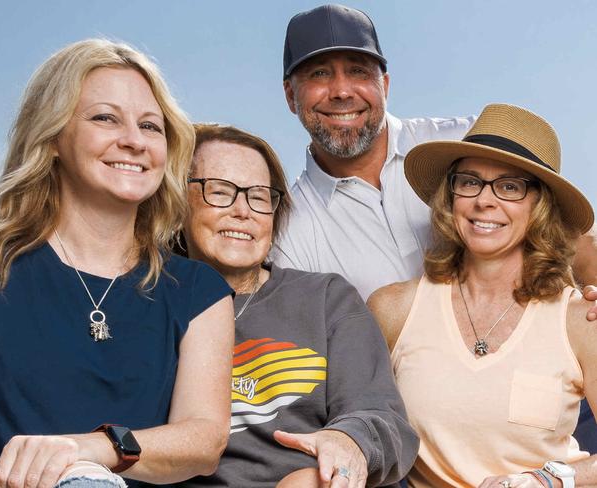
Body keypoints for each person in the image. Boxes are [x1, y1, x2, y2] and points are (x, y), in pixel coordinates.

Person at [0, 39, 234, 488]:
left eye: (150, 126)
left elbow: (202, 443)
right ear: (53, 136)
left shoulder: (197, 289)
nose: (134, 141)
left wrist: (89, 449)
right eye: (105, 118)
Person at [271, 3, 597, 304]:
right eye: (319, 74)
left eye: (358, 71)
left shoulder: (468, 144)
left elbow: (570, 237)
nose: (342, 91)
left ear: (384, 85)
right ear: (289, 95)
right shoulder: (290, 233)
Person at [367, 103, 597, 487]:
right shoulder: (393, 310)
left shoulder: (580, 319)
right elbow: (359, 429)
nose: (484, 200)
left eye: (510, 186)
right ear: (451, 195)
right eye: (470, 181)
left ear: (540, 205)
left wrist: (551, 480)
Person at [179, 123, 418, 488]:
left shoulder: (326, 299)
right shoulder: (149, 304)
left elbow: (382, 418)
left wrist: (348, 442)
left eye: (259, 196)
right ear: (177, 200)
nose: (243, 211)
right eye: (220, 191)